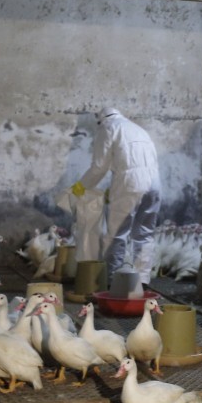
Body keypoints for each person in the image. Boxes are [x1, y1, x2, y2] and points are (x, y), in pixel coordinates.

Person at [70, 107, 161, 285]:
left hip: (130, 184)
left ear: (100, 120)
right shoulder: (137, 129)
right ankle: (142, 281)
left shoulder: (108, 128)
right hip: (155, 184)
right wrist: (112, 190)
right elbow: (133, 162)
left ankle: (113, 281)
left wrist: (81, 187)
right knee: (144, 234)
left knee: (117, 234)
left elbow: (99, 167)